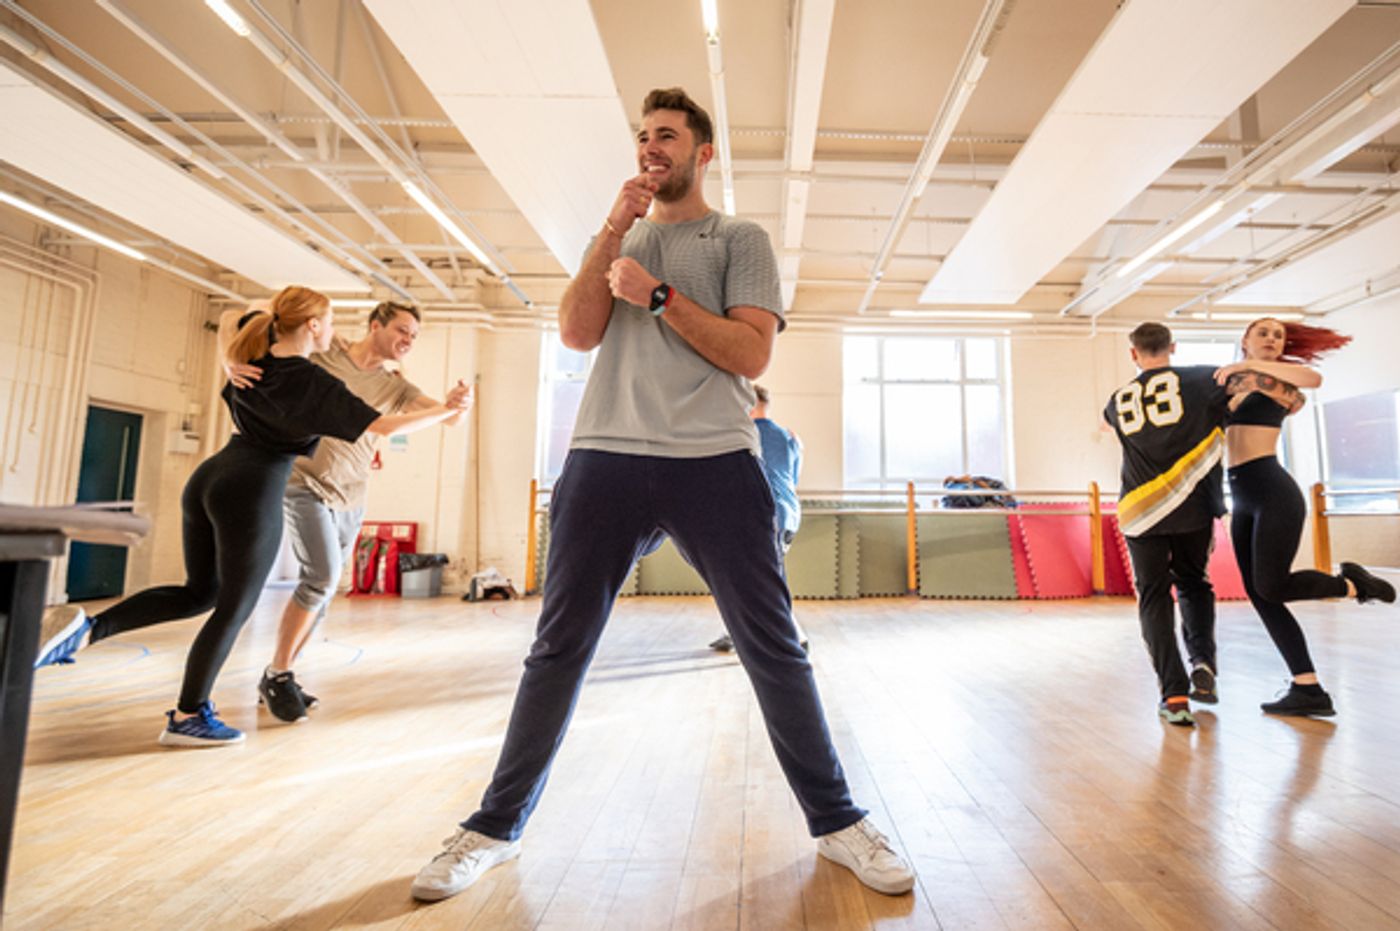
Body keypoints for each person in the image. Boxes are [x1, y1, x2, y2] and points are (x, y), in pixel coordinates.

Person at [410, 87, 913, 903]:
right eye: (645, 135)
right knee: (558, 647)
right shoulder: (619, 238)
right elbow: (577, 332)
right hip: (604, 455)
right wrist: (614, 228)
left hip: (712, 458)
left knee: (772, 646)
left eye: (668, 135)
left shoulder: (737, 239)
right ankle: (494, 827)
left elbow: (750, 354)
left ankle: (838, 820)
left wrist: (658, 295)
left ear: (702, 153)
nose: (652, 146)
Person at [34, 286, 463, 747]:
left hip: (211, 477)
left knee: (199, 593)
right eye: (329, 322)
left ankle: (88, 629)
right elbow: (384, 426)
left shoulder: (254, 359)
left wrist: (226, 359)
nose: (334, 331)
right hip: (253, 488)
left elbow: (237, 319)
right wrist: (445, 411)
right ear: (313, 326)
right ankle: (189, 715)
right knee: (234, 607)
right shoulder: (313, 380)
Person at [238, 301, 472, 724]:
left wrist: (457, 405)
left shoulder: (395, 386)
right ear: (375, 325)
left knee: (324, 590)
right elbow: (257, 314)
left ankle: (280, 674)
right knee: (322, 576)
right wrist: (229, 359)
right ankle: (279, 674)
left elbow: (448, 420)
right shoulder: (326, 354)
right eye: (402, 330)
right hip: (303, 482)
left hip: (350, 494)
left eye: (415, 336)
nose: (408, 340)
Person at [1213, 317, 1394, 717]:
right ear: (1245, 339)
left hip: (1273, 491)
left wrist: (1247, 366)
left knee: (1271, 585)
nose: (1271, 339)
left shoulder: (1283, 387)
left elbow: (1313, 379)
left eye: (1278, 335)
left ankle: (1352, 585)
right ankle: (1307, 687)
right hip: (1241, 496)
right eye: (1263, 333)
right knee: (1261, 595)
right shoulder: (1228, 384)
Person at [1105, 322, 1230, 727]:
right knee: (1194, 583)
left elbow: (1114, 430)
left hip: (1140, 509)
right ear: (1172, 347)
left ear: (1133, 353)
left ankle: (1174, 695)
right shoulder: (1203, 380)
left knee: (1154, 597)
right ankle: (1203, 661)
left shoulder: (1116, 400)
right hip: (1192, 504)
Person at [709, 383, 807, 653]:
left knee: (759, 579)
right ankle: (738, 633)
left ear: (748, 405)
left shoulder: (742, 436)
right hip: (788, 514)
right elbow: (792, 479)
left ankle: (794, 638)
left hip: (762, 515)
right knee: (756, 577)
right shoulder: (790, 437)